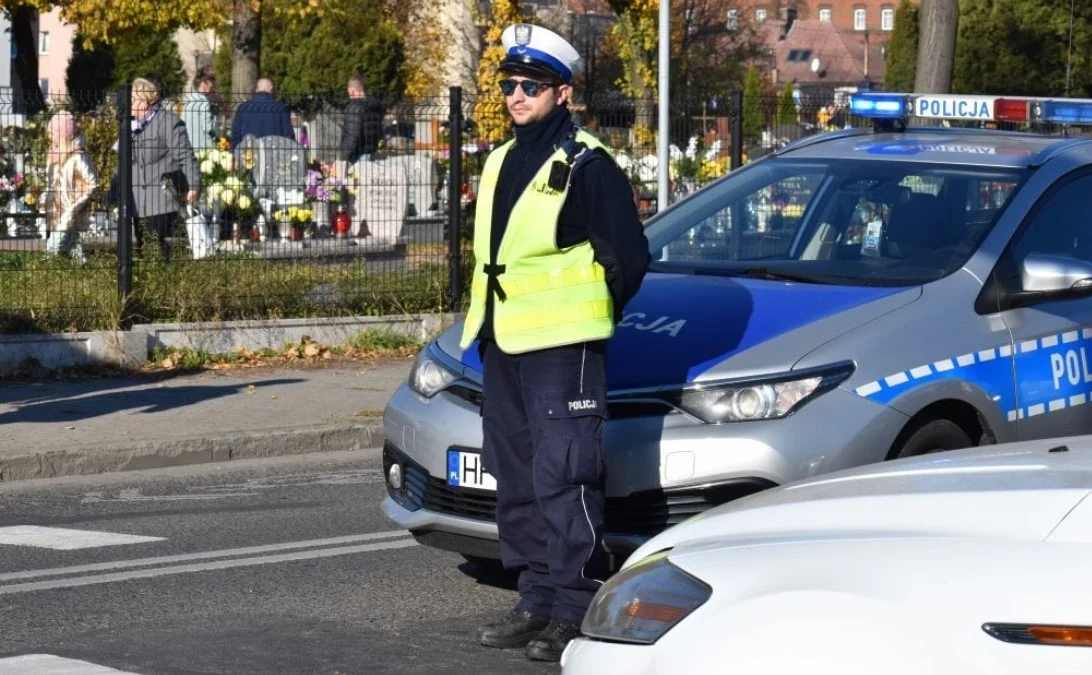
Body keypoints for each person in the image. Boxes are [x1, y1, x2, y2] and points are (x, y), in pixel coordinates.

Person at [461, 23, 650, 662]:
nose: (517, 95)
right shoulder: (499, 159)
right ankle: (536, 598)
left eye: (531, 86)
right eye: (510, 84)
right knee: (515, 477)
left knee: (564, 477)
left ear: (562, 94)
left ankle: (574, 606)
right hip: (502, 343)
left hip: (562, 349)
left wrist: (589, 318)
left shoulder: (587, 164)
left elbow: (628, 255)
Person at [129, 77, 200, 261]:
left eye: (132, 99)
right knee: (144, 249)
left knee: (159, 249)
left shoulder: (168, 122)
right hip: (138, 201)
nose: (128, 104)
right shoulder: (129, 126)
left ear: (144, 101)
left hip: (162, 200)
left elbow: (185, 156)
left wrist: (193, 186)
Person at [43, 112, 99, 260]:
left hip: (70, 213)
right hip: (57, 212)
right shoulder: (56, 155)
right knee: (74, 250)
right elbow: (53, 182)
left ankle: (50, 274)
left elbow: (93, 184)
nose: (50, 137)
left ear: (63, 135)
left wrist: (74, 208)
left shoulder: (78, 157)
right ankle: (84, 272)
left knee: (52, 249)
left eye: (53, 133)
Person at [230, 77, 295, 148]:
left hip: (248, 152)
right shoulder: (281, 108)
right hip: (273, 153)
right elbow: (288, 135)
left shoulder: (243, 108)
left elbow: (236, 134)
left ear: (256, 89)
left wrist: (236, 152)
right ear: (271, 88)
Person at [339, 75, 383, 165]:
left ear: (352, 91)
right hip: (371, 152)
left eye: (349, 93)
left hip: (357, 155)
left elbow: (353, 136)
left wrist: (343, 157)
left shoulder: (354, 108)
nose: (349, 97)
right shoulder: (374, 106)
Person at [180, 67, 219, 151]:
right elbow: (207, 127)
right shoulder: (204, 102)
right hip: (203, 147)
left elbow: (182, 122)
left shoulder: (188, 101)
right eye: (211, 83)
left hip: (189, 145)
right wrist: (216, 137)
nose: (212, 86)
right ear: (204, 83)